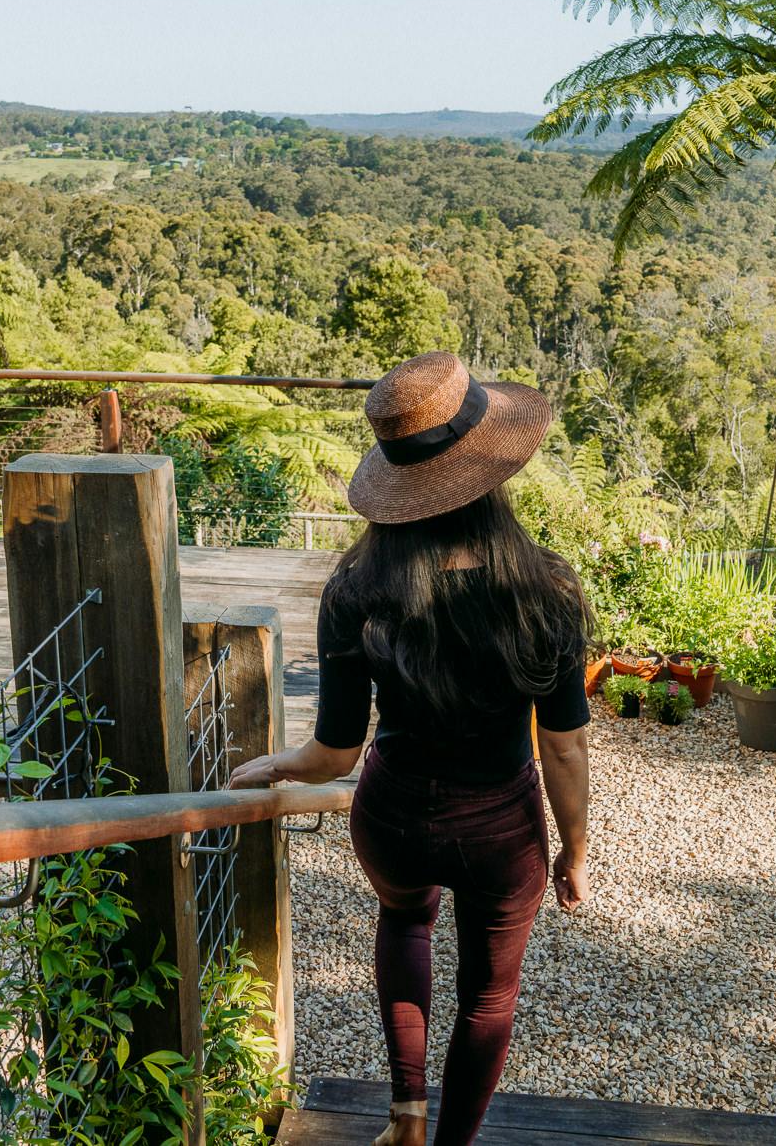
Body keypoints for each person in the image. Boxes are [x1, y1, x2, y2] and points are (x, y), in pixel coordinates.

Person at [230, 351, 592, 1146]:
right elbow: (562, 747)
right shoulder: (546, 589)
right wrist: (575, 849)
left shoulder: (356, 587)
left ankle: (405, 1115)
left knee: (404, 919)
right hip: (503, 826)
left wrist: (279, 763)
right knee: (489, 997)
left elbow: (334, 752)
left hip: (393, 813)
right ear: (491, 470)